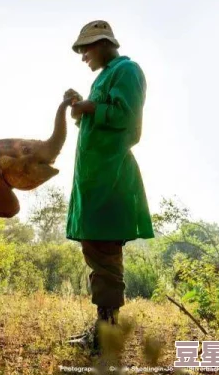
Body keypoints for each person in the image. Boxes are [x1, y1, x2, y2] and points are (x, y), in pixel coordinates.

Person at [63, 20, 155, 353]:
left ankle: (107, 335)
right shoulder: (104, 76)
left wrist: (90, 107)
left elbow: (127, 120)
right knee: (96, 249)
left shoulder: (127, 70)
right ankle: (102, 329)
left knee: (105, 254)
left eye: (86, 48)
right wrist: (80, 107)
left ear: (104, 43)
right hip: (95, 179)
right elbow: (99, 119)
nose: (83, 55)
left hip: (112, 178)